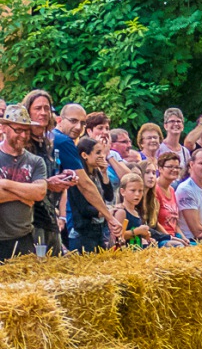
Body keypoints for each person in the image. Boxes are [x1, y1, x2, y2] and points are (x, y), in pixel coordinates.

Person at [54, 103, 122, 241]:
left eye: (82, 123)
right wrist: (109, 217)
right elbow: (84, 185)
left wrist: (103, 172)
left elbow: (107, 195)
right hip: (80, 230)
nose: (78, 127)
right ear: (59, 120)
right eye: (73, 121)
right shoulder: (64, 141)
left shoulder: (53, 137)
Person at [21, 90, 72, 256]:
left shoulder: (48, 143)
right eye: (37, 108)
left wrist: (64, 177)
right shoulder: (21, 146)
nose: (43, 113)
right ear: (27, 111)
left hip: (50, 218)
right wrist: (48, 183)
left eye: (46, 108)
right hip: (30, 221)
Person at [0, 104, 48, 260]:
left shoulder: (36, 161)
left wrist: (5, 184)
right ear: (3, 128)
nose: (23, 135)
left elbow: (39, 192)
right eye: (18, 130)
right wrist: (23, 196)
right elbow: (32, 192)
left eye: (26, 130)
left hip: (23, 237)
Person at [67, 137, 113, 252]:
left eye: (102, 152)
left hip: (98, 230)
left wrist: (104, 173)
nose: (102, 156)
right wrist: (103, 212)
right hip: (83, 233)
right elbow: (83, 208)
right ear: (84, 155)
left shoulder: (96, 174)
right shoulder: (78, 177)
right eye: (98, 153)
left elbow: (109, 196)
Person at [114, 173, 156, 248]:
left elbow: (136, 235)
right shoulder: (121, 212)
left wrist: (145, 236)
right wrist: (138, 231)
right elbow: (117, 237)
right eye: (133, 190)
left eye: (140, 191)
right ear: (122, 192)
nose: (137, 194)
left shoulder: (136, 212)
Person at [154, 153, 186, 242]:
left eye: (177, 167)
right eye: (170, 167)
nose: (174, 170)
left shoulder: (171, 190)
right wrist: (170, 238)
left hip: (174, 236)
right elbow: (154, 221)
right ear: (160, 169)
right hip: (162, 238)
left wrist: (183, 238)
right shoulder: (155, 189)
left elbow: (174, 222)